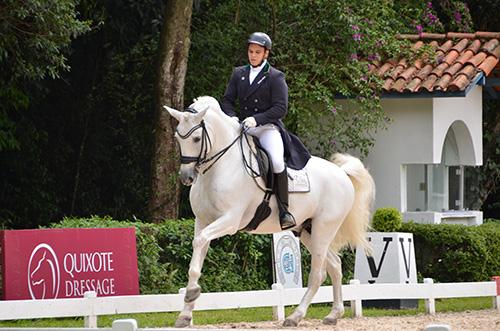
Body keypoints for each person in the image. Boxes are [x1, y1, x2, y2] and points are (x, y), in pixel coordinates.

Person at [220, 32, 311, 230]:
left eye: (257, 52)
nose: (252, 55)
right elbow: (227, 100)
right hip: (243, 126)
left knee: (277, 161)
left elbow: (281, 108)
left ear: (265, 54)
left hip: (266, 128)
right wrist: (232, 117)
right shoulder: (239, 73)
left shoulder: (275, 77)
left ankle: (285, 210)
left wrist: (257, 119)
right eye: (250, 51)